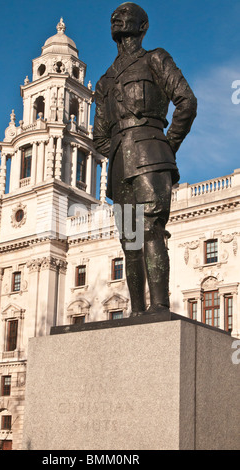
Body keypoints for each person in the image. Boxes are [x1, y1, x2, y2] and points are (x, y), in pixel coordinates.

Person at [93, 2, 197, 315]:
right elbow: (98, 135)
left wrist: (167, 145)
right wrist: (118, 149)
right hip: (120, 165)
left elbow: (187, 102)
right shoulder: (104, 81)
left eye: (126, 14)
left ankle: (159, 307)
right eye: (114, 15)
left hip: (152, 155)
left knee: (151, 229)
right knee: (130, 241)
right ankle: (136, 311)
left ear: (143, 25)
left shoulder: (156, 58)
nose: (117, 18)